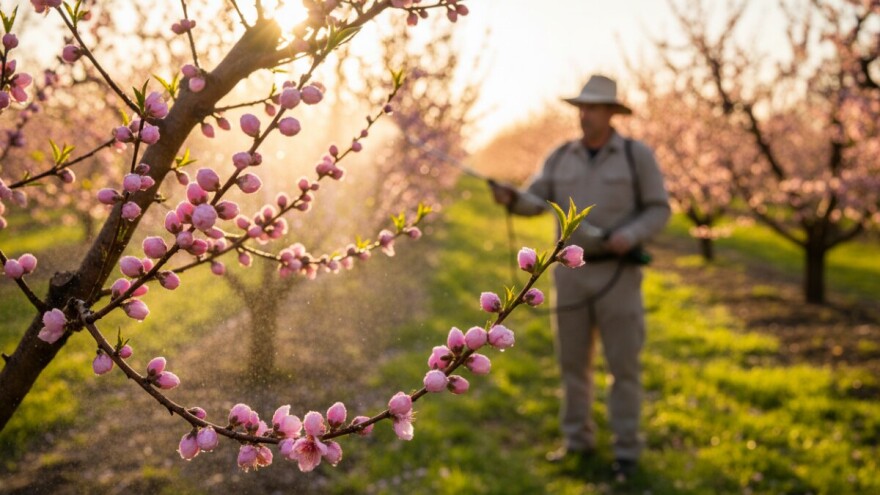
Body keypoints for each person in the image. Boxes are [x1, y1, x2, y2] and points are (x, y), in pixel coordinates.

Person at [490, 75, 670, 479]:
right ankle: (577, 442)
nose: (585, 114)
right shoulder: (560, 156)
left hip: (618, 277)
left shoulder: (635, 156)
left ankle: (627, 450)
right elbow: (533, 201)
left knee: (623, 366)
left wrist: (631, 235)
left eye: (593, 108)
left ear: (611, 113)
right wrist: (510, 198)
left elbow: (659, 208)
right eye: (581, 107)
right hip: (569, 277)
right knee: (572, 363)